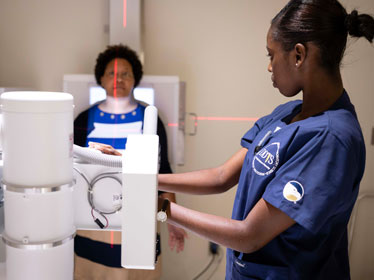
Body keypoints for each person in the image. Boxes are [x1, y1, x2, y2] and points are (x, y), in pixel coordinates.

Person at [94, 1, 374, 279]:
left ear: (299, 55)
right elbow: (220, 177)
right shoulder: (287, 114)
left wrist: (160, 208)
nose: (269, 67)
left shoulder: (331, 139)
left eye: (271, 55)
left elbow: (249, 236)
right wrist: (135, 172)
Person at [73, 44, 187, 280]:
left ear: (135, 79)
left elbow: (163, 173)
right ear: (101, 79)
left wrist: (174, 221)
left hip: (140, 213)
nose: (119, 79)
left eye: (125, 73)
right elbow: (72, 170)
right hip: (93, 216)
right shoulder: (84, 119)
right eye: (112, 73)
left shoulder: (151, 121)